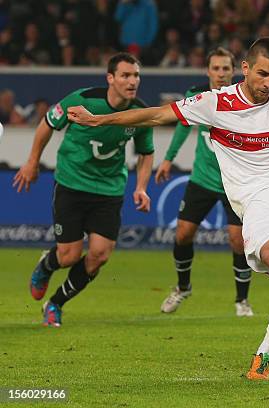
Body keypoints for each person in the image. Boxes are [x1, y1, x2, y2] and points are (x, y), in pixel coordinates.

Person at [67, 37, 269, 381]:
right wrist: (100, 121)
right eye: (263, 74)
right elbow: (158, 114)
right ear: (245, 69)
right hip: (254, 197)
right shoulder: (215, 103)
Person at [13, 53, 154, 327]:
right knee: (67, 256)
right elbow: (47, 124)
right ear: (110, 78)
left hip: (110, 189)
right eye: (125, 75)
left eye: (136, 75)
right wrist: (32, 162)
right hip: (72, 184)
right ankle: (46, 266)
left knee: (100, 254)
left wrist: (141, 187)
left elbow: (146, 153)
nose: (132, 80)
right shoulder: (83, 99)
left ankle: (55, 304)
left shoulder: (139, 112)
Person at [156, 47, 254, 317]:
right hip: (202, 179)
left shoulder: (243, 99)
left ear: (234, 71)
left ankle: (241, 301)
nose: (221, 74)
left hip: (234, 182)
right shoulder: (196, 97)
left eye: (226, 69)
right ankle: (182, 287)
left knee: (238, 241)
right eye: (216, 68)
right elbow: (181, 125)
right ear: (208, 71)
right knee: (183, 234)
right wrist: (167, 159)